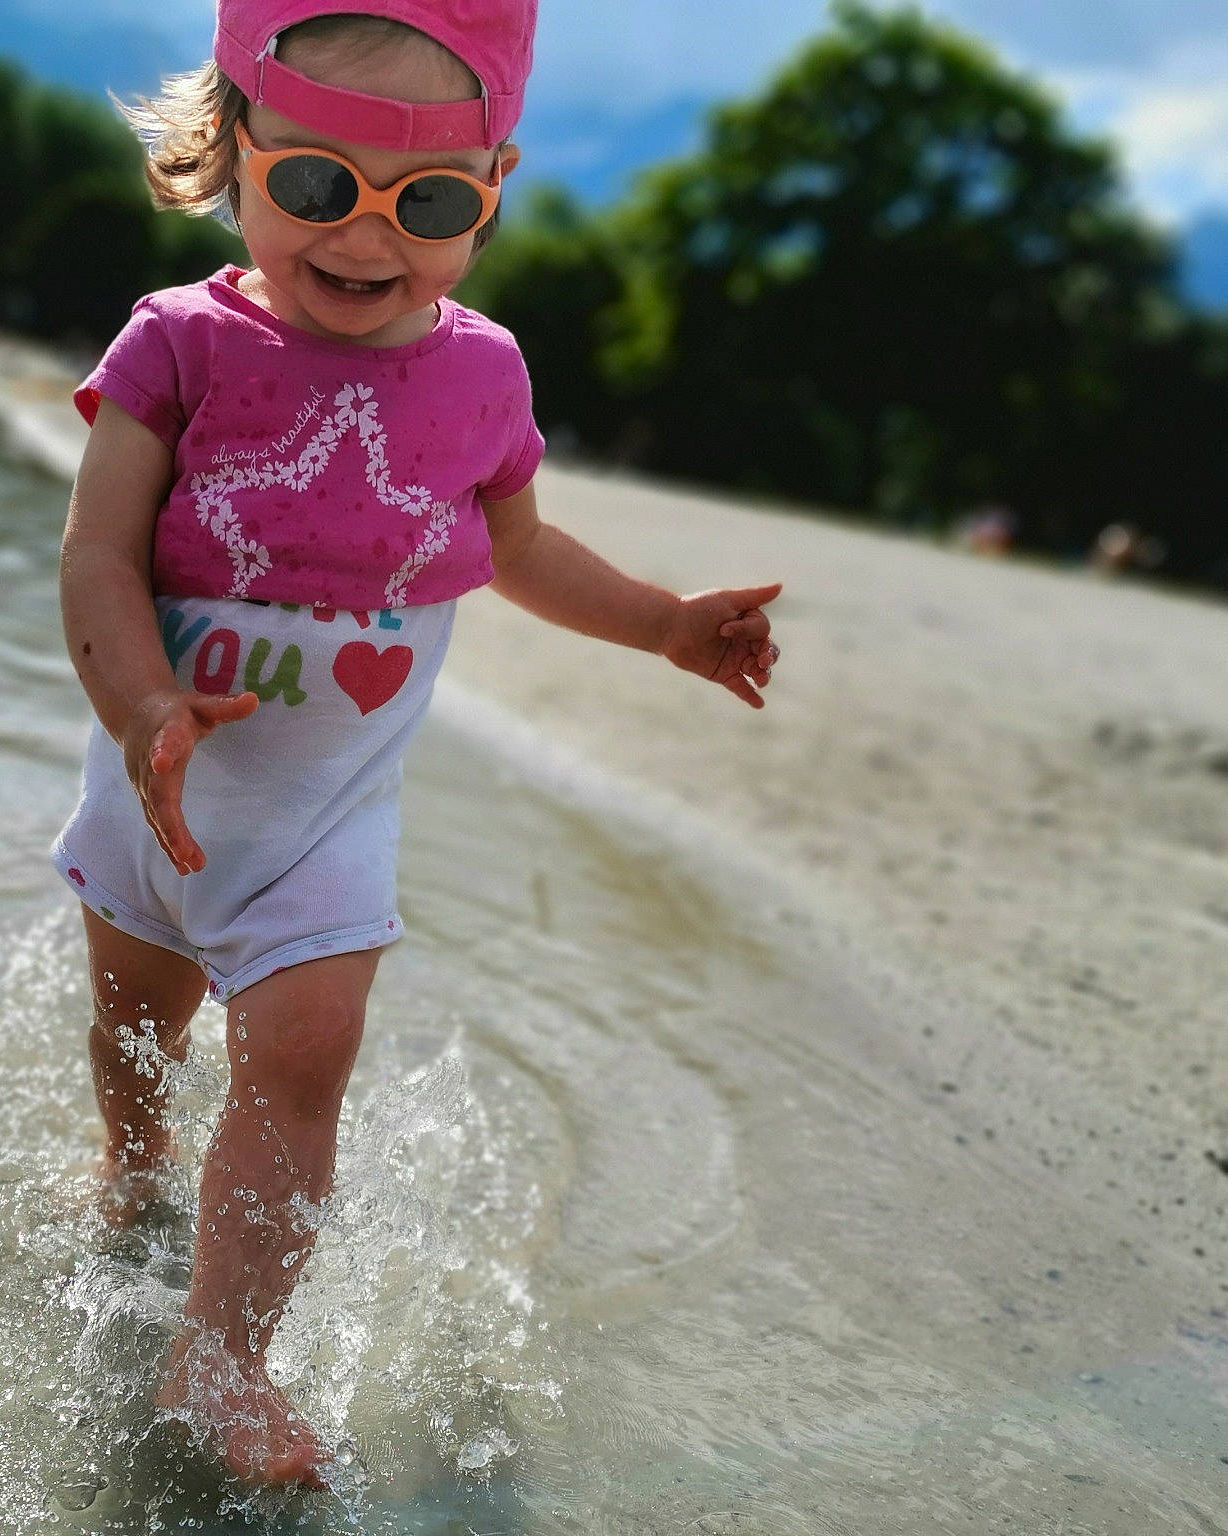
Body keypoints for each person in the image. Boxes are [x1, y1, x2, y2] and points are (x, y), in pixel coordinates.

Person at [54, 0, 782, 1489]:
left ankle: (223, 1353)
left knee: (304, 1066)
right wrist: (142, 705)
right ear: (232, 147)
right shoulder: (176, 343)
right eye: (318, 184)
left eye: (429, 203)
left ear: (492, 188)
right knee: (140, 1032)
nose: (367, 237)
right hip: (162, 784)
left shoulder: (481, 375)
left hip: (325, 819)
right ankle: (129, 1166)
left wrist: (659, 624)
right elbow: (95, 556)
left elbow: (517, 547)